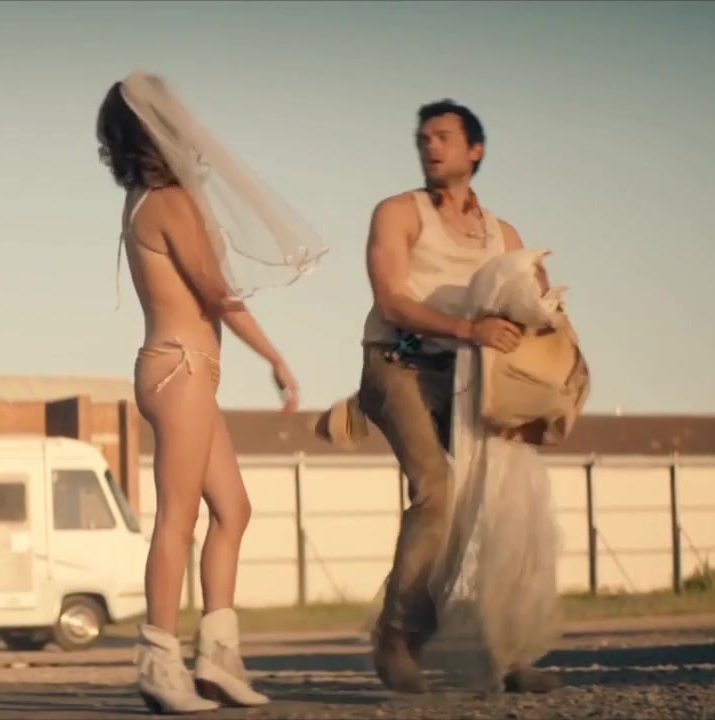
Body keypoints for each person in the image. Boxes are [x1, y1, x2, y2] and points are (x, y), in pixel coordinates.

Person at [96, 71, 326, 714]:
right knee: (178, 518)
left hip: (180, 369)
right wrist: (275, 357)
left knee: (233, 509)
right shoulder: (169, 203)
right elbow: (217, 295)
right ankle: (158, 663)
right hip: (183, 369)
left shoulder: (145, 200)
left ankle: (217, 661)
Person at [358, 99, 561, 695]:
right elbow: (392, 301)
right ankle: (396, 638)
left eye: (443, 136)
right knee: (437, 490)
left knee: (505, 500)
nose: (430, 145)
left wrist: (544, 317)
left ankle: (507, 650)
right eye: (423, 137)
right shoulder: (398, 213)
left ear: (475, 150)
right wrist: (471, 329)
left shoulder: (504, 235)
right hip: (397, 363)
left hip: (472, 375)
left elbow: (533, 307)